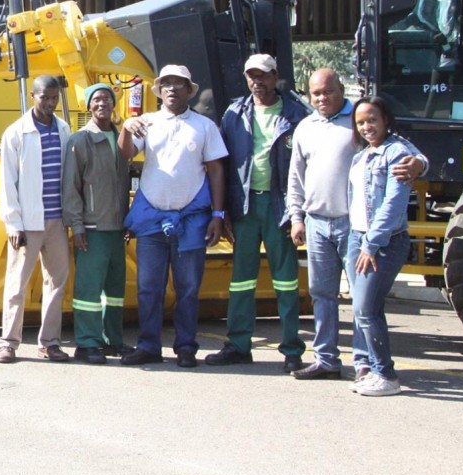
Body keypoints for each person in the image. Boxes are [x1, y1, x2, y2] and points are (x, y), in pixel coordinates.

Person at [285, 69, 425, 381]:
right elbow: (296, 176)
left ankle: (364, 363)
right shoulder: (305, 128)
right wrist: (297, 216)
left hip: (354, 226)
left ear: (340, 90)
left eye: (328, 92)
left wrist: (420, 164)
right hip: (317, 222)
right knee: (321, 294)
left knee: (363, 299)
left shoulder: (360, 119)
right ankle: (326, 359)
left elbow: (401, 149)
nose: (322, 98)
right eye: (315, 93)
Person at [117, 64, 228, 368]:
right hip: (152, 221)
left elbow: (216, 169)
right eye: (166, 84)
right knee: (148, 287)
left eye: (179, 84)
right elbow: (126, 154)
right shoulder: (147, 123)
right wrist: (126, 127)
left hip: (191, 222)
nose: (171, 89)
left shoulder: (204, 126)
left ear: (189, 90)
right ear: (159, 90)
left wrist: (218, 214)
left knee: (188, 289)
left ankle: (186, 347)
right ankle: (149, 345)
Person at [205, 54, 309, 371]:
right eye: (251, 76)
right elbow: (221, 165)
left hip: (281, 207)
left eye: (263, 75)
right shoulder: (235, 113)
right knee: (241, 280)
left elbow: (307, 166)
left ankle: (292, 350)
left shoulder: (297, 114)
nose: (257, 82)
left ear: (275, 75)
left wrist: (298, 213)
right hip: (246, 207)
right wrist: (223, 213)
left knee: (286, 282)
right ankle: (238, 345)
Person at [347, 96, 422, 397]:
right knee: (365, 307)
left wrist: (371, 244)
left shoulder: (398, 152)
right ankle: (372, 368)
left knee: (366, 309)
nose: (367, 127)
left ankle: (386, 375)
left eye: (372, 120)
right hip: (358, 237)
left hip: (383, 243)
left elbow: (393, 204)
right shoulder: (363, 155)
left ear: (386, 120)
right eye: (361, 122)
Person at [0, 74, 72, 363]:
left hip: (56, 220)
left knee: (56, 282)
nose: (50, 103)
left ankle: (50, 342)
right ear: (33, 96)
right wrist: (13, 223)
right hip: (28, 222)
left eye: (54, 98)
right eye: (45, 98)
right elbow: (7, 182)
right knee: (17, 284)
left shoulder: (63, 129)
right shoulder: (16, 133)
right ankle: (8, 343)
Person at [61, 83, 134, 364]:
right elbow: (71, 187)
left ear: (114, 104)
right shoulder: (79, 141)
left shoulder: (121, 138)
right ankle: (87, 343)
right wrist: (77, 226)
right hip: (92, 229)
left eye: (107, 99)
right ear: (88, 106)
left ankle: (112, 341)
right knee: (88, 291)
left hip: (116, 229)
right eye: (96, 99)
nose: (102, 103)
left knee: (115, 290)